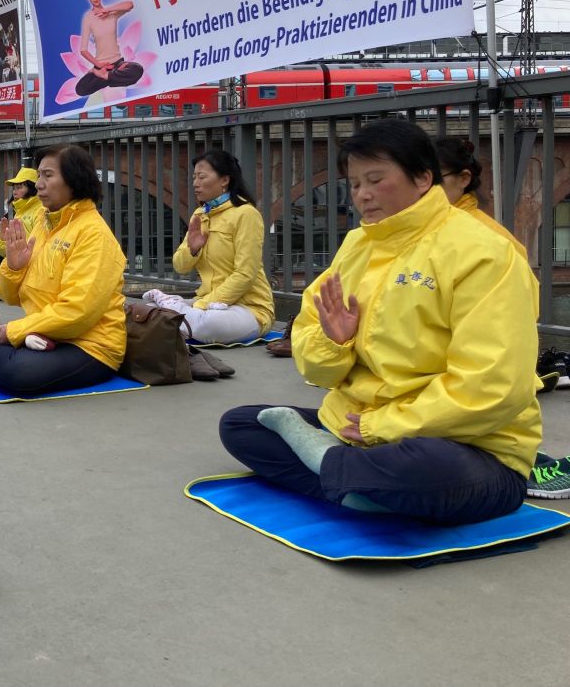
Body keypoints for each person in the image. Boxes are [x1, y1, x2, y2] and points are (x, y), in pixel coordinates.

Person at [218, 119, 542, 524]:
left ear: (423, 178)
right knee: (241, 424)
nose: (362, 195)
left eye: (375, 179)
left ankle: (336, 471)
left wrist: (381, 426)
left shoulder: (484, 253)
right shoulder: (358, 245)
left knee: (422, 466)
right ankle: (354, 484)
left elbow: (493, 385)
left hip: (465, 445)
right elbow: (312, 361)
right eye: (354, 184)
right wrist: (334, 344)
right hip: (355, 430)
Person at [0, 144, 127, 395]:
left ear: (74, 180)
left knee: (19, 372)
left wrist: (15, 331)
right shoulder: (43, 224)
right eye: (39, 175)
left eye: (48, 175)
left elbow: (78, 311)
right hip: (45, 335)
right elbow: (9, 296)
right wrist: (14, 267)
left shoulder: (94, 234)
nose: (39, 183)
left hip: (90, 345)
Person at [142, 150, 274, 345]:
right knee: (148, 308)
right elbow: (180, 266)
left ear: (224, 180)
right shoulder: (200, 214)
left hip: (248, 308)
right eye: (194, 177)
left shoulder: (246, 214)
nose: (195, 183)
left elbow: (246, 273)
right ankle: (178, 312)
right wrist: (192, 249)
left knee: (211, 324)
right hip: (205, 303)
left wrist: (203, 305)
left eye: (202, 177)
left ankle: (176, 312)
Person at [0, 167, 44, 291]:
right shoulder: (19, 211)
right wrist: (3, 240)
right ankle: (4, 287)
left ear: (32, 188)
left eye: (19, 187)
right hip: (14, 263)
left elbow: (38, 246)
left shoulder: (40, 210)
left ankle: (5, 288)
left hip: (29, 265)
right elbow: (4, 253)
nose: (15, 192)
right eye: (14, 188)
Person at [75, 0, 143, 97]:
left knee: (137, 69)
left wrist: (107, 10)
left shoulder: (112, 14)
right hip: (100, 66)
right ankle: (112, 78)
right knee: (80, 89)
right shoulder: (88, 18)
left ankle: (106, 78)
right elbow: (83, 50)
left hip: (118, 64)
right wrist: (98, 65)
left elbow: (130, 5)